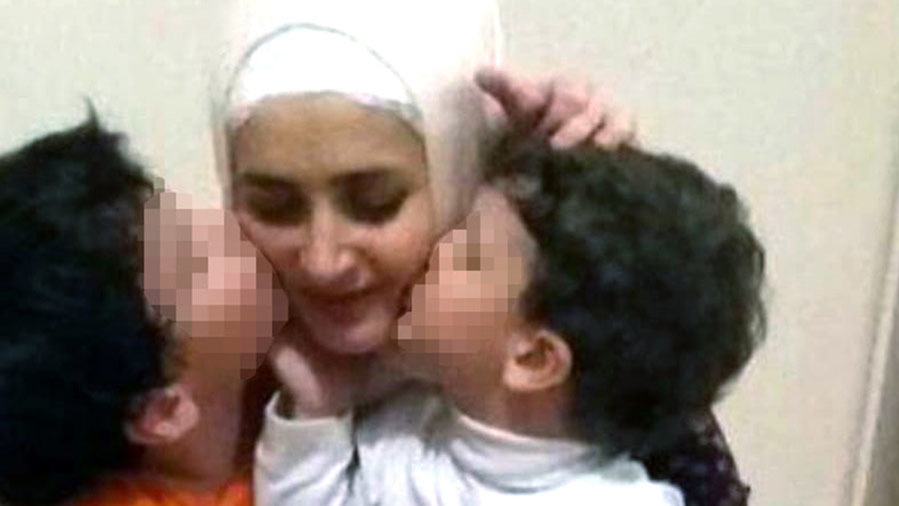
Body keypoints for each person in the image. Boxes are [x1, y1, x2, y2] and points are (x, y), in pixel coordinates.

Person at [213, 1, 752, 504]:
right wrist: (315, 411)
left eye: (376, 203)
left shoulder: (611, 442)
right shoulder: (395, 438)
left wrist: (582, 186)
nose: (323, 260)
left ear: (456, 183)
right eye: (274, 207)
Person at [253, 141, 765, 505]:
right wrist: (317, 410)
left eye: (468, 255)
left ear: (533, 358)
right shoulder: (405, 429)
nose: (437, 247)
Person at [0, 115, 288, 506]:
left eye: (187, 212)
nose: (228, 226)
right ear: (164, 411)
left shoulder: (255, 376)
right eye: (196, 262)